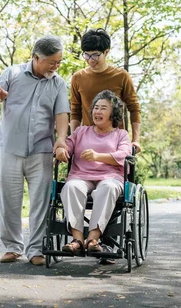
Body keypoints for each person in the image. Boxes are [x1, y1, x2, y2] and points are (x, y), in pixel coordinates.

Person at [0, 35, 70, 266]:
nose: (56, 66)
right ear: (36, 57)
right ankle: (13, 247)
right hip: (10, 149)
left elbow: (62, 114)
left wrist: (61, 140)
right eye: (52, 62)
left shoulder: (58, 83)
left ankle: (36, 250)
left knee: (40, 202)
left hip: (41, 150)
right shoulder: (12, 73)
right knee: (9, 201)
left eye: (59, 62)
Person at [55, 89, 132, 255]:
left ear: (114, 112)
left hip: (110, 177)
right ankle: (77, 239)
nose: (97, 111)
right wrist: (61, 150)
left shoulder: (121, 134)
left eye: (103, 108)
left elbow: (125, 155)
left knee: (108, 188)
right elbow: (67, 145)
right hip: (81, 176)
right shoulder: (81, 132)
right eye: (96, 107)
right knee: (71, 187)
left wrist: (98, 156)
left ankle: (93, 238)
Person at [67, 28, 141, 152]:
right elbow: (75, 111)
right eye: (86, 54)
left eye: (95, 55)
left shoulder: (121, 76)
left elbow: (134, 108)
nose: (91, 59)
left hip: (115, 144)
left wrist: (135, 140)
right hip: (87, 143)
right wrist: (74, 140)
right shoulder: (78, 78)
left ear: (106, 52)